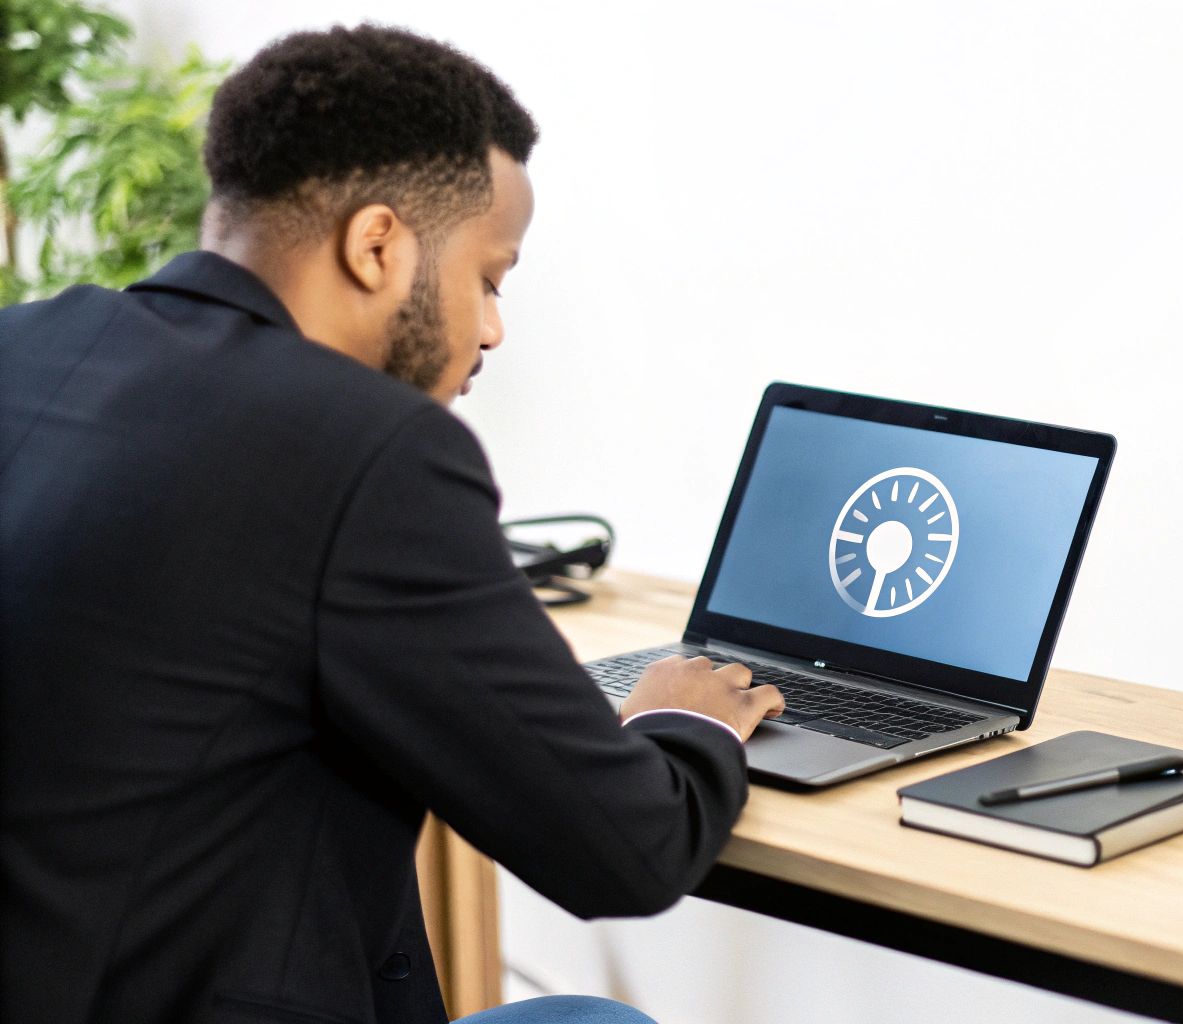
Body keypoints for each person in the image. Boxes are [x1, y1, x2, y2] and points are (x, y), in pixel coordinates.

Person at [0, 24, 783, 1024]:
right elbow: (628, 854)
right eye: (489, 277)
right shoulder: (367, 449)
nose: (494, 326)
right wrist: (684, 715)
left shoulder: (23, 349)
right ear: (377, 245)